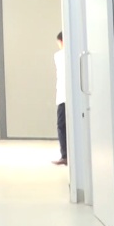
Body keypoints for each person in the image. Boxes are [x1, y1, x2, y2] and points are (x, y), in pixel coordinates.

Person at [53, 32, 68, 166]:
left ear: (61, 41)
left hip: (63, 97)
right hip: (69, 96)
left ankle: (65, 155)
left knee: (61, 125)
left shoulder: (59, 56)